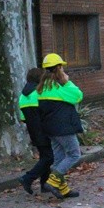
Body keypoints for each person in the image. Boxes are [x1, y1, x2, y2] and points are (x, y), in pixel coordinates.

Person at [37, 53, 83, 199]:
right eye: (61, 67)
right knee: (74, 154)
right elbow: (78, 96)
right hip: (63, 129)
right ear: (58, 68)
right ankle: (52, 181)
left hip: (50, 130)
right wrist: (67, 82)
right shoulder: (59, 88)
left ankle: (63, 189)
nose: (63, 69)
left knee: (59, 158)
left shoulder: (43, 87)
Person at [17, 67, 54, 196]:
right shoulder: (40, 93)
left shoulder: (22, 96)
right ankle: (28, 178)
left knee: (45, 157)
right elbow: (47, 112)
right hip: (44, 129)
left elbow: (23, 118)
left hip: (33, 131)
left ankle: (45, 184)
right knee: (49, 157)